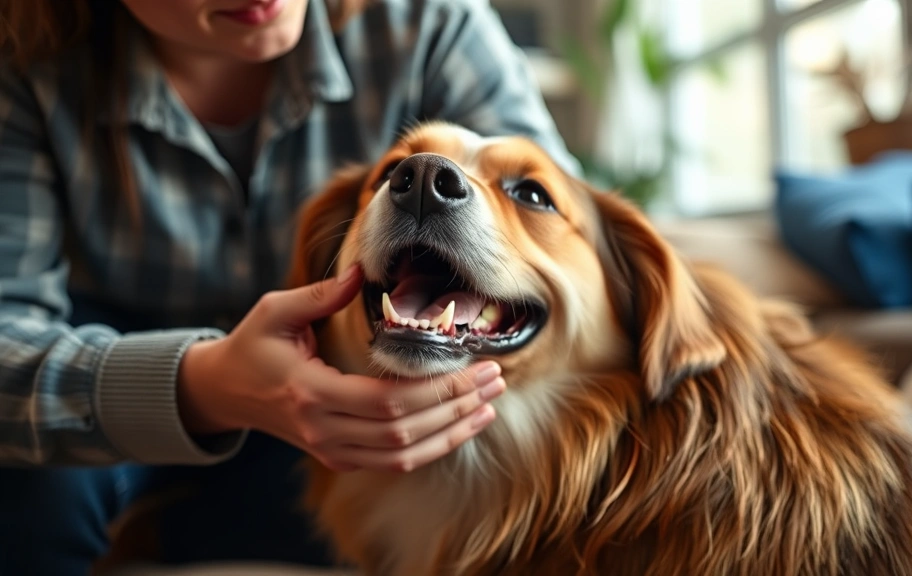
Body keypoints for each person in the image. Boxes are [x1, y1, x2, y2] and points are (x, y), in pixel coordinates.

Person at [0, 0, 579, 573]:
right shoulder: (24, 68)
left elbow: (565, 245)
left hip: (332, 425)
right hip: (111, 401)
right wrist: (203, 386)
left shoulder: (432, 27)